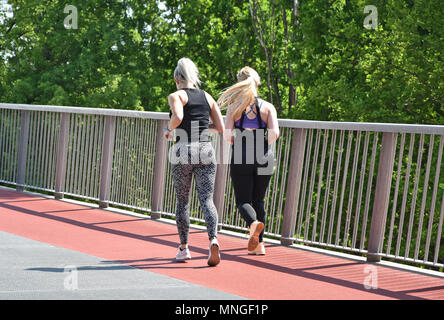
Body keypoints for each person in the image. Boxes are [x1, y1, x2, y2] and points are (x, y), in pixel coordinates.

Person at [165, 57, 224, 266]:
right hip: (206, 150)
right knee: (207, 200)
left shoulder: (176, 95)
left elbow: (178, 117)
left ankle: (184, 248)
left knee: (183, 201)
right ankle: (213, 239)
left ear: (176, 78)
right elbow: (220, 128)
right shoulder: (207, 97)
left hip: (183, 150)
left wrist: (169, 129)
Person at [218, 66, 279, 255]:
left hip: (242, 155)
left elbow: (228, 135)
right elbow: (275, 133)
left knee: (243, 200)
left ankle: (253, 224)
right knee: (258, 199)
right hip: (264, 156)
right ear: (257, 83)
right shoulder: (268, 107)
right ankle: (259, 246)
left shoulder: (234, 107)